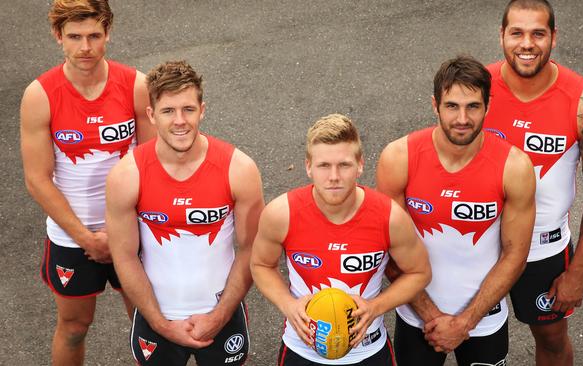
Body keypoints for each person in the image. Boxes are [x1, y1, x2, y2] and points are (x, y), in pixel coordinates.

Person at [376, 56, 536, 366]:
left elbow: (515, 255)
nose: (462, 118)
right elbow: (389, 252)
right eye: (452, 106)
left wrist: (466, 321)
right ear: (435, 105)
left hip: (485, 319)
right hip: (416, 318)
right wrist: (434, 317)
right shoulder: (399, 158)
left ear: (488, 106)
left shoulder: (514, 167)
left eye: (473, 106)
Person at [19, 1, 156, 364]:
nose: (85, 47)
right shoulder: (40, 95)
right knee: (75, 326)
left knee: (150, 327)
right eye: (74, 37)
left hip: (131, 230)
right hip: (72, 237)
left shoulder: (136, 85)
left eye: (95, 35)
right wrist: (87, 238)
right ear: (58, 36)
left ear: (108, 32)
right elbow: (37, 179)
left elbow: (153, 164)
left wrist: (121, 233)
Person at [482, 1, 583, 364]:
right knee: (466, 338)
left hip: (542, 250)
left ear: (553, 37)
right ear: (501, 36)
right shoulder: (475, 88)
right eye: (517, 33)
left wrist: (578, 272)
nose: (527, 44)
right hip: (475, 242)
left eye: (538, 33)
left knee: (552, 338)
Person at [105, 60, 264, 365]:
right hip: (157, 318)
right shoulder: (126, 175)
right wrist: (160, 323)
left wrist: (220, 315)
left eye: (188, 109)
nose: (180, 121)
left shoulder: (239, 168)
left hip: (222, 315)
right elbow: (123, 256)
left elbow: (251, 249)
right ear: (151, 115)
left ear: (202, 109)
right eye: (168, 111)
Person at [250, 114, 431, 366]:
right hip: (302, 351)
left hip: (368, 351)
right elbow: (260, 265)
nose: (334, 176)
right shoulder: (282, 214)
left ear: (360, 165)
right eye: (324, 165)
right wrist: (288, 305)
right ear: (308, 166)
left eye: (344, 165)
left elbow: (420, 272)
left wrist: (376, 306)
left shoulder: (389, 217)